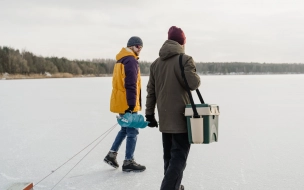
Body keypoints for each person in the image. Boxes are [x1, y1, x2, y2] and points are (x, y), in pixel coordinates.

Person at [145, 26, 201, 190]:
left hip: (164, 117)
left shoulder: (156, 64)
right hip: (182, 118)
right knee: (178, 158)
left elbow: (151, 91)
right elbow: (194, 84)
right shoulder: (185, 59)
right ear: (182, 42)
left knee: (169, 157)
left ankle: (174, 187)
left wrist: (149, 114)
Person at [104, 36, 146, 172]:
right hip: (128, 103)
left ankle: (111, 154)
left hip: (121, 101)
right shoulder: (130, 60)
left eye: (141, 47)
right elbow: (131, 84)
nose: (140, 50)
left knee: (124, 129)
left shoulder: (120, 60)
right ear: (133, 46)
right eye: (139, 47)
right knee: (132, 131)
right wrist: (132, 105)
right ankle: (128, 161)